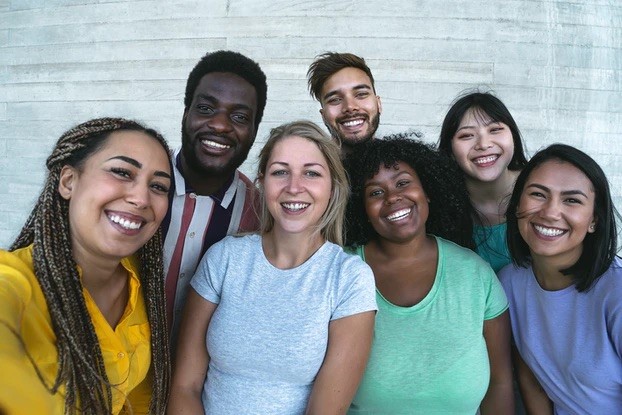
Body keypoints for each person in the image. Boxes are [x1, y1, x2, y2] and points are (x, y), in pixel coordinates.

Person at [168, 120, 377, 414]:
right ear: (263, 183)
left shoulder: (348, 277)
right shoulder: (224, 258)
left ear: (333, 186)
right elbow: (184, 387)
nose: (294, 187)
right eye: (281, 172)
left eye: (311, 173)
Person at [0, 118, 172, 414]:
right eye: (121, 172)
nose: (141, 198)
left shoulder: (142, 284)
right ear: (68, 181)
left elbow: (139, 399)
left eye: (158, 186)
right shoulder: (16, 284)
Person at [344, 136, 514, 414]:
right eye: (375, 192)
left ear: (427, 191)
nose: (393, 197)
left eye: (403, 183)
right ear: (361, 209)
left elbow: (501, 383)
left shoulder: (475, 273)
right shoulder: (343, 270)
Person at [500, 144, 622, 414]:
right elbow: (533, 377)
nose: (550, 212)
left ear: (594, 220)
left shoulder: (616, 291)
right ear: (517, 203)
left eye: (572, 200)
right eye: (538, 194)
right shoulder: (510, 282)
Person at [163, 50, 267, 344]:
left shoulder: (260, 215)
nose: (220, 125)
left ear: (254, 130)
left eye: (239, 116)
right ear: (186, 113)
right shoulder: (136, 188)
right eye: (206, 109)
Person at [438, 91, 528, 272]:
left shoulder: (541, 188)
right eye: (466, 136)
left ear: (513, 136)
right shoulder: (439, 206)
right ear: (450, 149)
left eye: (495, 130)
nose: (483, 144)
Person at [307, 52, 382, 154]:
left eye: (361, 94)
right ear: (323, 115)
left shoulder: (403, 165)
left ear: (378, 104)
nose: (350, 106)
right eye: (335, 99)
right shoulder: (312, 166)